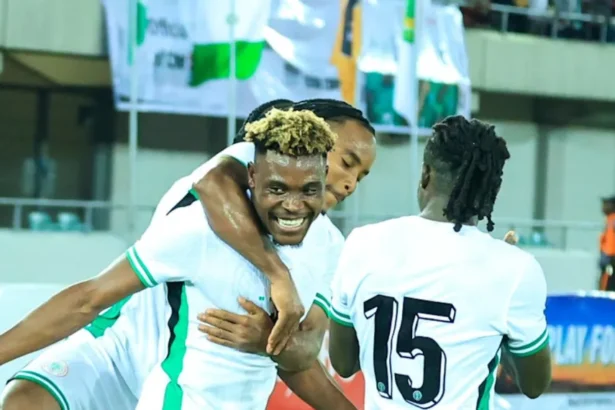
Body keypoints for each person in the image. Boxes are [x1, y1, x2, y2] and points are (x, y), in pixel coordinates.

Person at [0, 108, 345, 410]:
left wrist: (270, 342)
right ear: (251, 175)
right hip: (140, 373)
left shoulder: (327, 245)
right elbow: (87, 299)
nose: (293, 205)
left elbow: (301, 360)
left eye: (309, 189)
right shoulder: (198, 226)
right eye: (277, 188)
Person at [327, 116, 552, 409]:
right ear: (491, 191)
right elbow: (534, 386)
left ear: (425, 175)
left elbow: (344, 364)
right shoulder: (514, 269)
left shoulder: (361, 242)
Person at [599, 195, 615, 291]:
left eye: (606, 204)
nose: (603, 207)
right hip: (607, 257)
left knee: (608, 283)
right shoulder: (609, 219)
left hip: (611, 258)